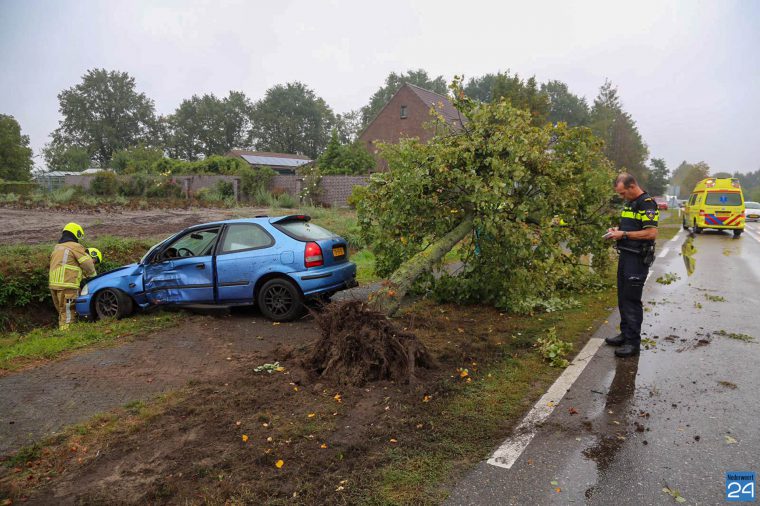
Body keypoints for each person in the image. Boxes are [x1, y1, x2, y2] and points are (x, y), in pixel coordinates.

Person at [604, 173, 659, 357]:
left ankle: (633, 343)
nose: (622, 197)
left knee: (632, 300)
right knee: (622, 297)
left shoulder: (647, 204)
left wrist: (624, 235)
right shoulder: (630, 203)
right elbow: (630, 228)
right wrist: (617, 231)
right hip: (626, 255)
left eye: (622, 193)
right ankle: (625, 334)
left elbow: (651, 233)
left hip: (637, 259)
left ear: (632, 186)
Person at [49, 223, 97, 330]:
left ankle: (61, 332)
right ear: (76, 233)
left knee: (62, 312)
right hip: (68, 285)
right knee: (69, 313)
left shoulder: (57, 247)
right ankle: (68, 335)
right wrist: (93, 276)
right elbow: (87, 263)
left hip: (54, 285)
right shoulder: (75, 246)